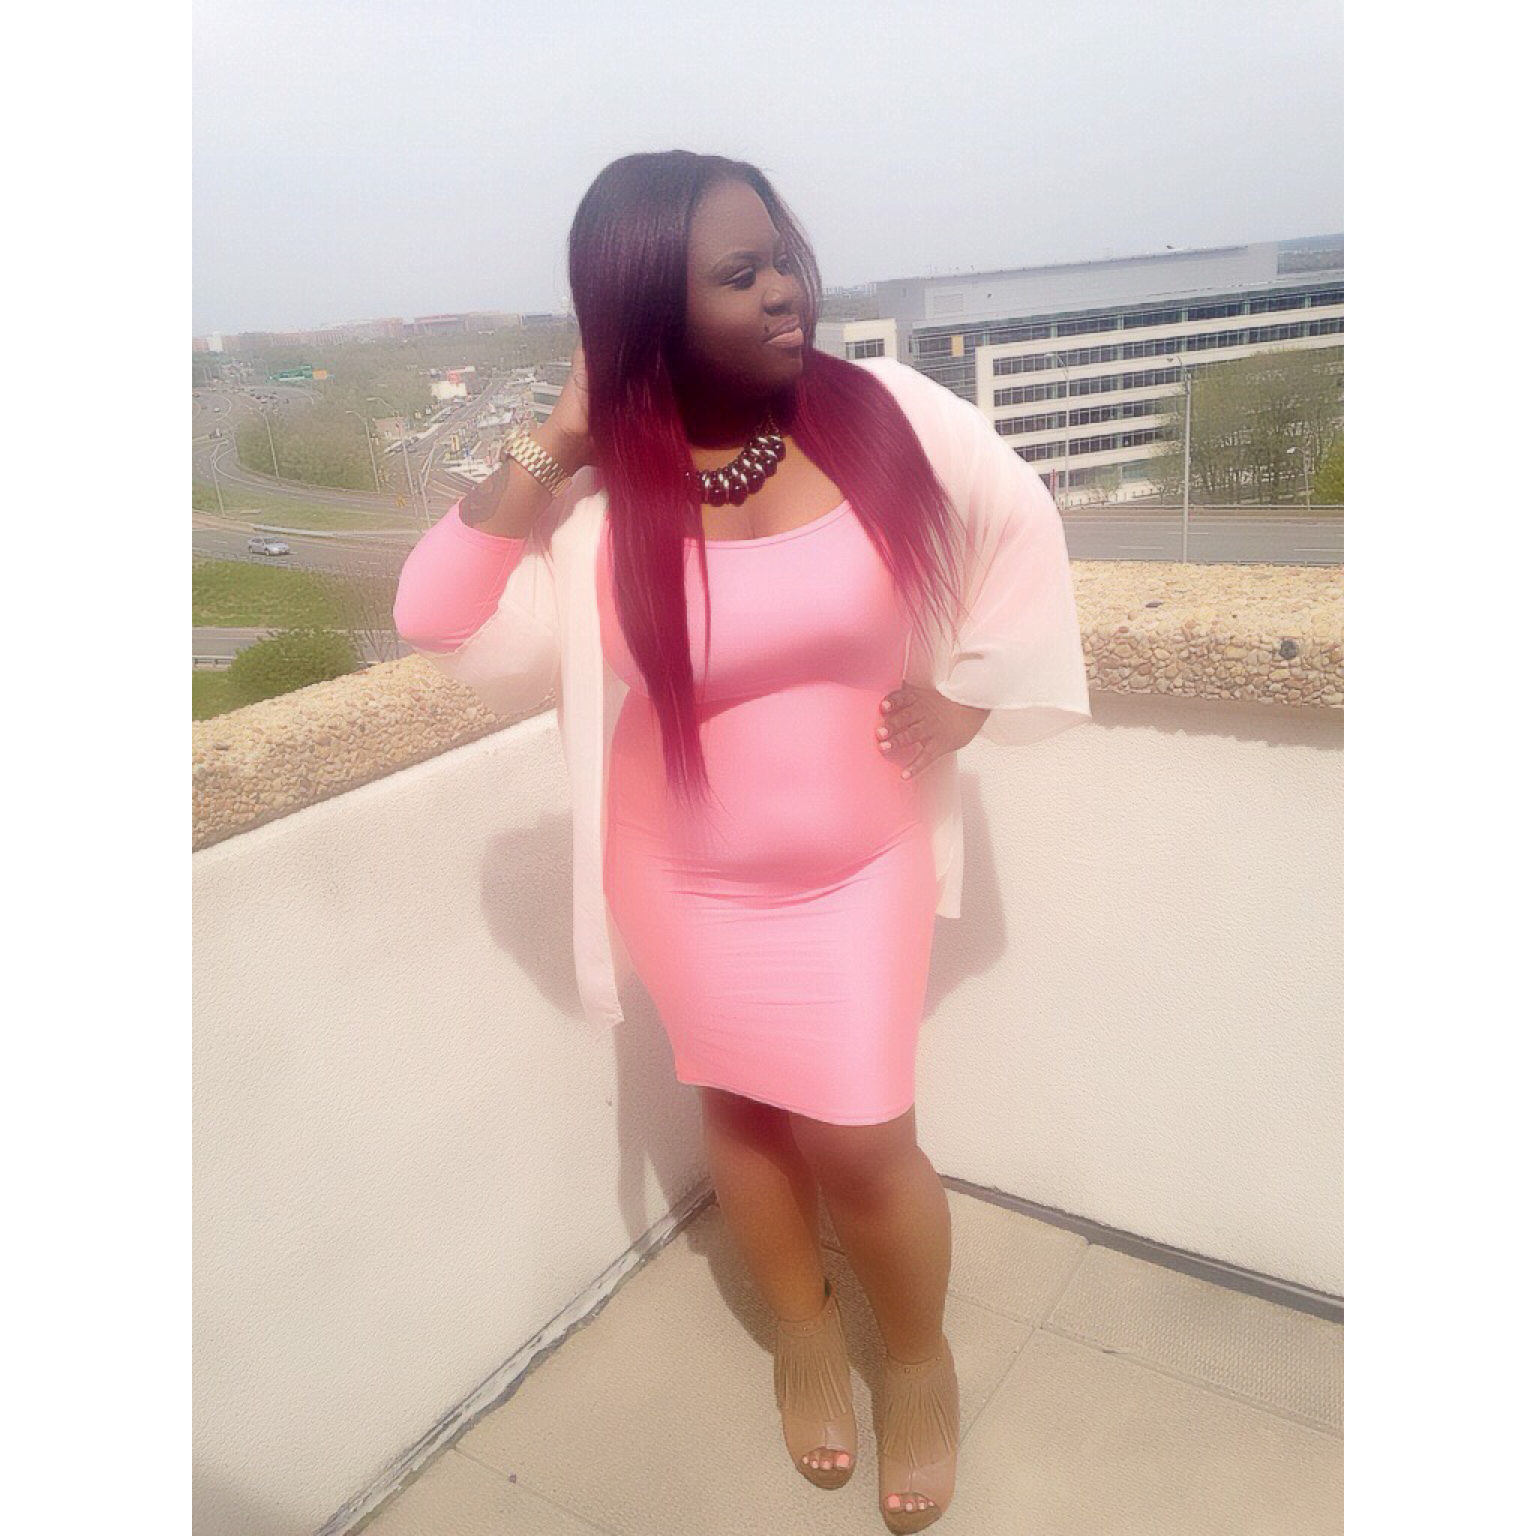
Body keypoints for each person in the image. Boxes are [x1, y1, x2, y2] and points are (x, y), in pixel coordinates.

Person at [393, 150, 1092, 1533]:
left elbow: (1021, 521)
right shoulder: (607, 501)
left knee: (866, 1142)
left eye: (781, 256)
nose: (785, 289)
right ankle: (806, 1335)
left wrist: (969, 693)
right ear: (648, 307)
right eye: (739, 273)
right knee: (744, 1113)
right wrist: (560, 436)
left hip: (859, 869)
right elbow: (434, 613)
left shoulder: (885, 414)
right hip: (684, 881)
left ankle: (917, 1357)